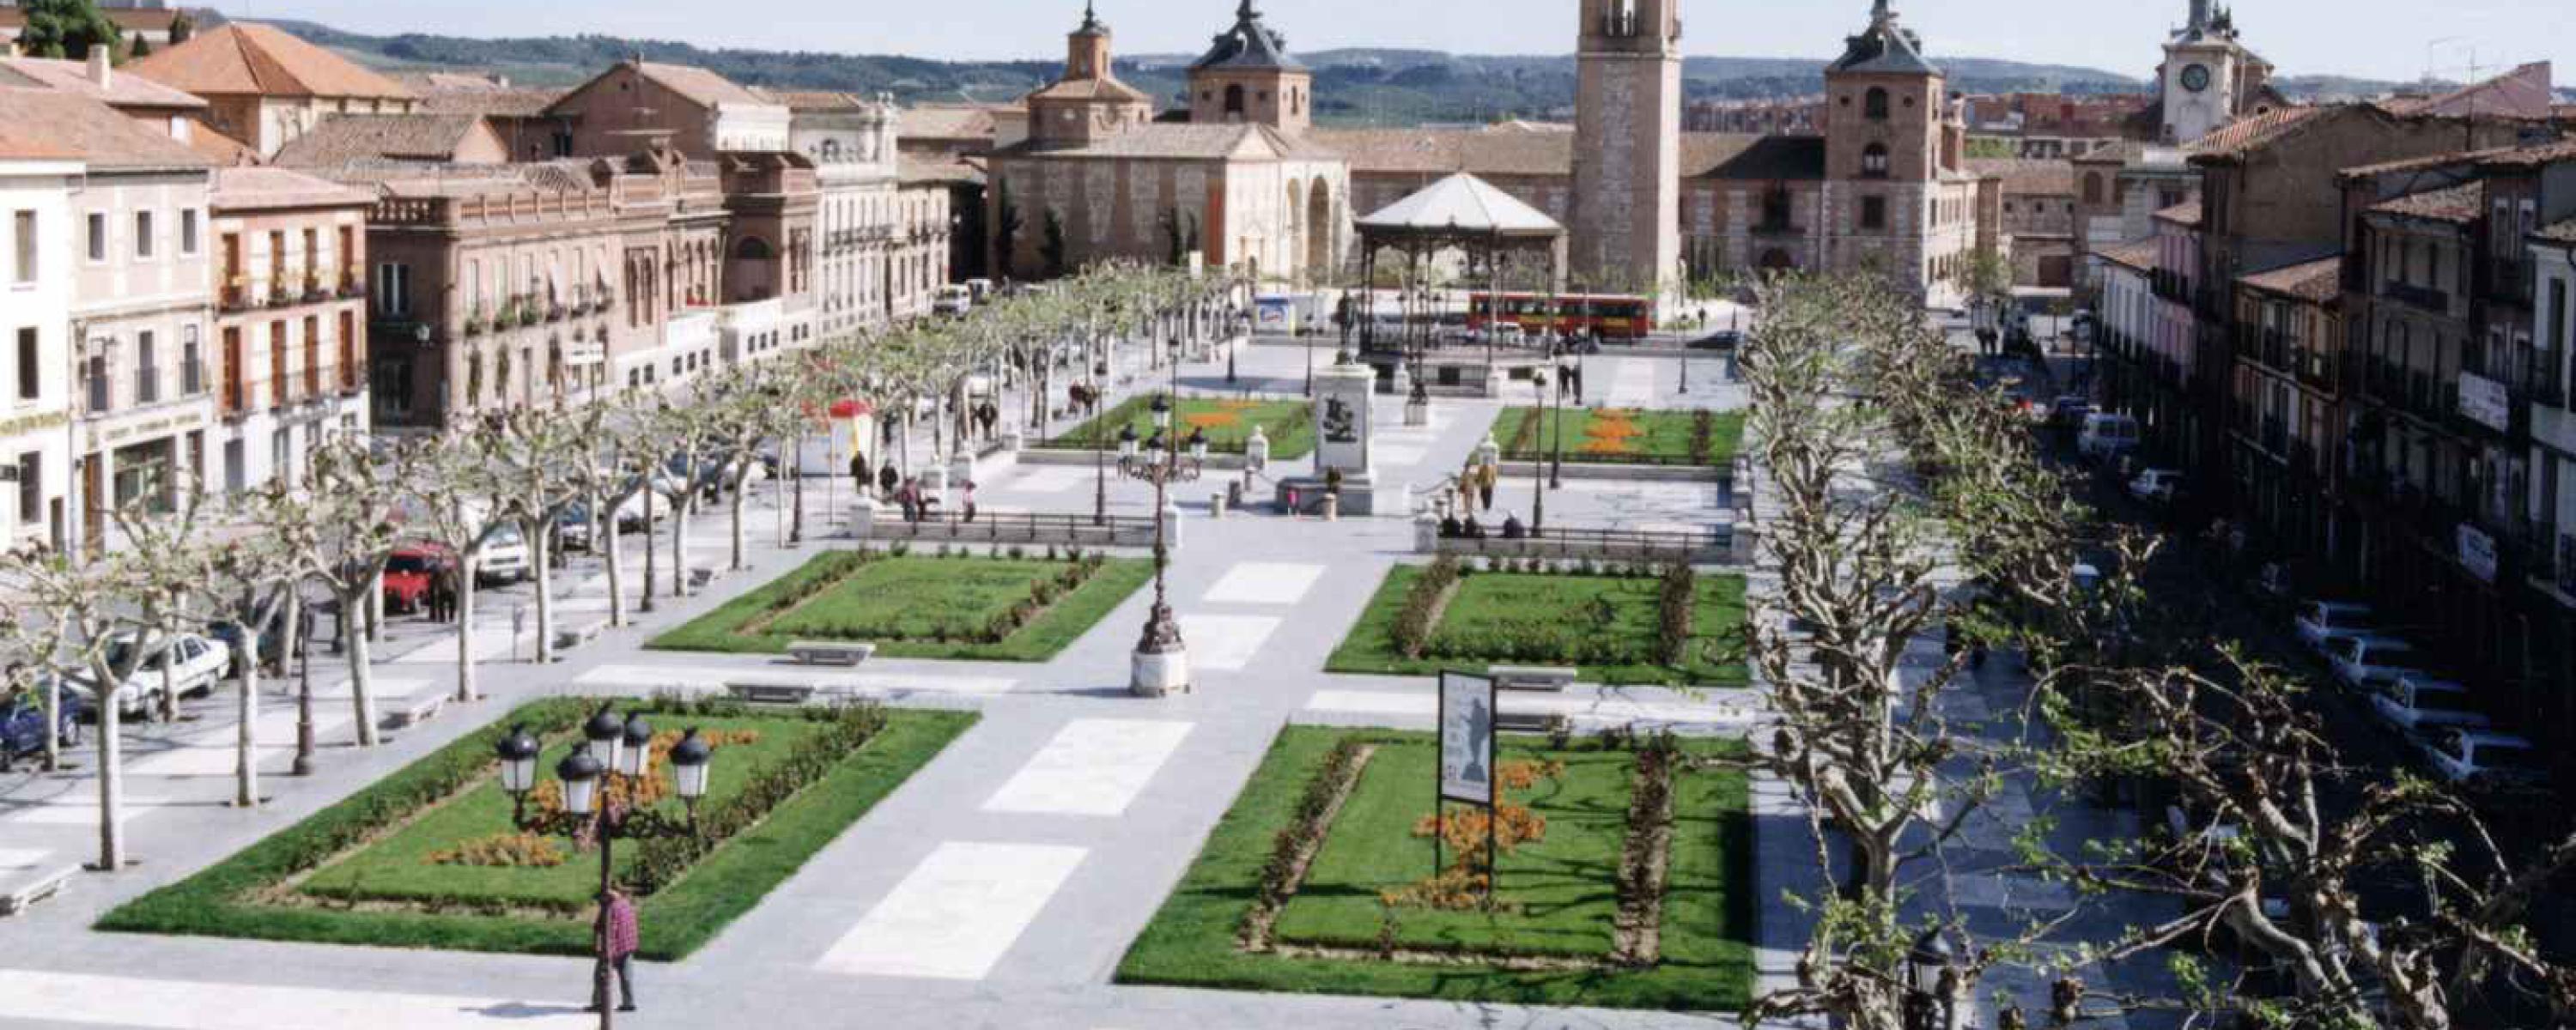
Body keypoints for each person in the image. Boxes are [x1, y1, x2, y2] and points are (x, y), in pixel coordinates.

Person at [592, 888, 639, 1013]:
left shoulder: (609, 910)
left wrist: (605, 951)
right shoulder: (627, 904)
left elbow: (609, 931)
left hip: (613, 949)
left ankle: (599, 1003)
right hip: (628, 946)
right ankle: (629, 1003)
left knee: (600, 977)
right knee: (626, 977)